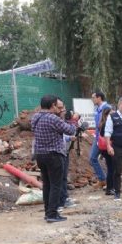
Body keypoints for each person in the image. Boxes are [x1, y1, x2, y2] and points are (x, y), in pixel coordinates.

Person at [31, 94, 76, 223]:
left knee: (47, 185)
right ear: (52, 106)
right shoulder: (53, 119)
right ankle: (52, 214)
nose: (59, 109)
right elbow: (70, 131)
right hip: (54, 154)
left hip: (40, 155)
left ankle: (47, 212)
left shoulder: (35, 117)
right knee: (56, 185)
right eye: (58, 106)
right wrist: (72, 120)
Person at [89, 91, 110, 187]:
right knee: (92, 158)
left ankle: (111, 182)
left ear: (99, 98)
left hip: (106, 138)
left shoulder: (107, 108)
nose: (92, 99)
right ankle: (103, 179)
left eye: (93, 97)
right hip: (98, 138)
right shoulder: (97, 109)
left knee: (109, 161)